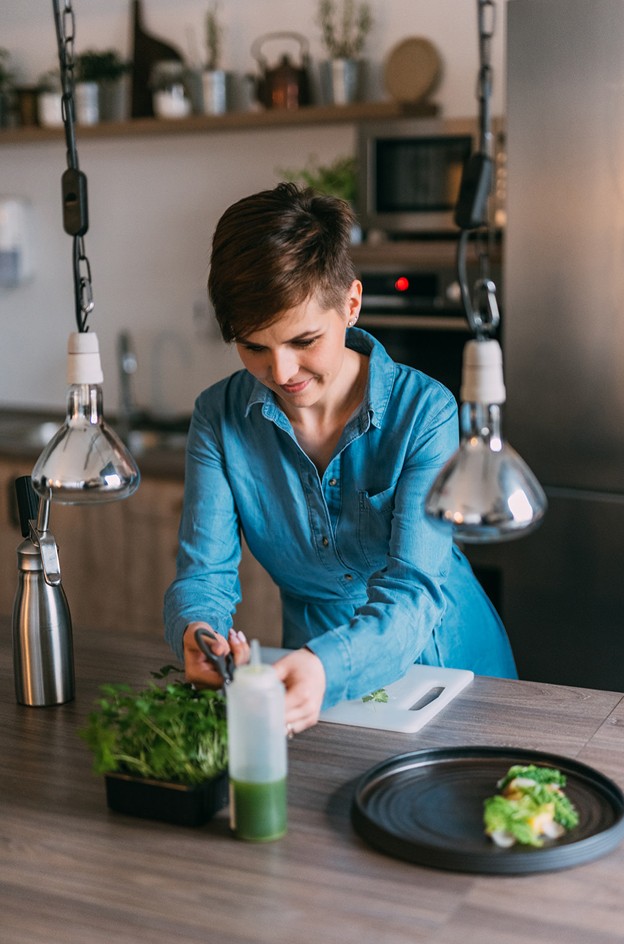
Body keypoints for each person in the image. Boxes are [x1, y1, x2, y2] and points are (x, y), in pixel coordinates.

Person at [164, 182, 517, 734]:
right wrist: (198, 633)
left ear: (350, 304)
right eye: (254, 346)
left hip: (446, 664)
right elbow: (204, 574)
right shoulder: (218, 416)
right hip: (311, 678)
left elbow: (413, 589)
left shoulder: (426, 412)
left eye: (303, 340)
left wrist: (329, 666)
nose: (280, 372)